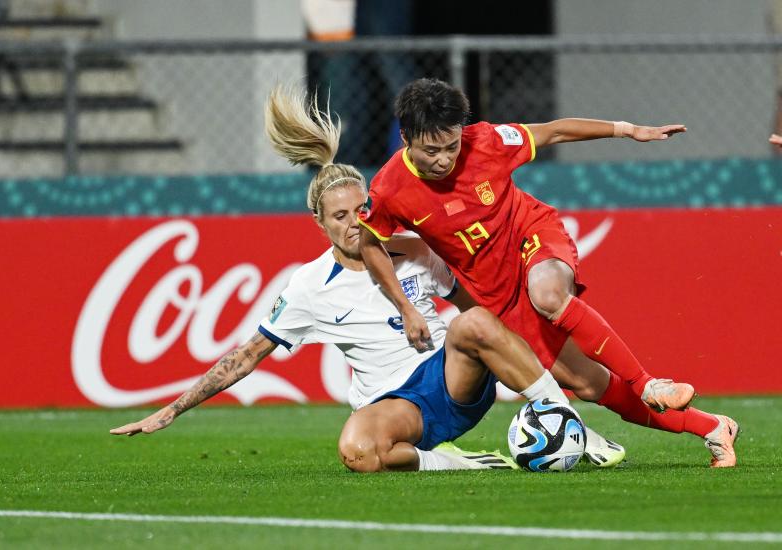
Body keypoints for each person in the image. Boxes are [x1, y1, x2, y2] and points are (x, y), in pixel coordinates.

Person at [111, 85, 625, 471]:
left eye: (362, 210)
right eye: (339, 217)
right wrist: (171, 410)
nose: (353, 223)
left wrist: (540, 345)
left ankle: (568, 422)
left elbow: (485, 311)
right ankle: (460, 464)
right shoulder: (308, 287)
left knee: (476, 322)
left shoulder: (417, 252)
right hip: (397, 405)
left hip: (451, 381)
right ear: (318, 223)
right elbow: (245, 357)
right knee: (357, 452)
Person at [358, 78, 739, 467]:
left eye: (452, 146)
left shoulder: (487, 141)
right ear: (405, 137)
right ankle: (711, 427)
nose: (444, 160)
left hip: (531, 235)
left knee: (549, 294)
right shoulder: (389, 189)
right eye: (430, 151)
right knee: (590, 385)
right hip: (496, 295)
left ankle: (648, 383)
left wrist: (627, 130)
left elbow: (554, 131)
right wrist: (405, 307)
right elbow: (370, 243)